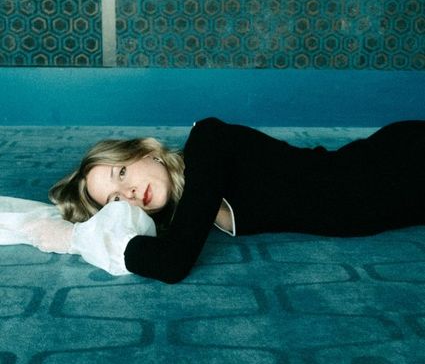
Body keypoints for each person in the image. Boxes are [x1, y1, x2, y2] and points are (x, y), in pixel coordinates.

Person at [45, 117, 425, 284]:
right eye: (115, 199)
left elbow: (172, 264)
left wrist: (77, 239)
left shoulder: (208, 141)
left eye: (122, 172)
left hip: (400, 164)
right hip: (394, 203)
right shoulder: (187, 217)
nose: (128, 192)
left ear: (146, 152)